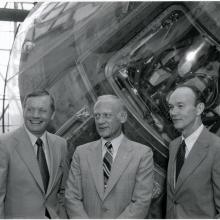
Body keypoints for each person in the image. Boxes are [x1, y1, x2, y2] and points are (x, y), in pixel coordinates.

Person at [65, 94, 154, 218]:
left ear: (122, 117)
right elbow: (72, 197)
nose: (100, 121)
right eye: (97, 116)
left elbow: (141, 202)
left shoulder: (143, 154)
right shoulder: (81, 153)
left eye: (107, 115)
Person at [0, 90, 68, 218]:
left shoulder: (61, 145)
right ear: (24, 111)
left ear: (52, 114)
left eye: (42, 110)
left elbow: (63, 190)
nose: (35, 115)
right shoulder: (4, 144)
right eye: (30, 109)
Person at [166, 84, 220, 218]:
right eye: (171, 107)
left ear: (199, 109)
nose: (173, 112)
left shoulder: (216, 149)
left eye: (180, 106)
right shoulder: (174, 146)